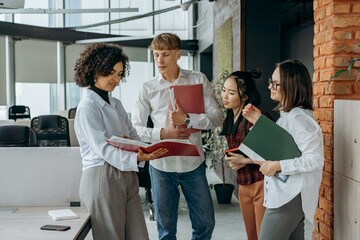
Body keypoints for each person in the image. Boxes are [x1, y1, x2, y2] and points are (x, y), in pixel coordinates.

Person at [132, 33, 223, 240]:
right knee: (166, 229)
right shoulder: (147, 88)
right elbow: (136, 128)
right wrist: (164, 133)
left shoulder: (198, 79)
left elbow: (217, 117)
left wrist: (188, 119)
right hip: (161, 166)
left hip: (193, 163)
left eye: (165, 54)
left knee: (206, 223)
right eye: (156, 55)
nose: (160, 60)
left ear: (178, 54)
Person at [73, 43, 168, 240]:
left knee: (139, 236)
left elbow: (132, 134)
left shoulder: (116, 104)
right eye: (112, 73)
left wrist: (144, 150)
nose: (116, 80)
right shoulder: (88, 107)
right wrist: (134, 154)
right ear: (95, 70)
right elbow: (103, 148)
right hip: (102, 176)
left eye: (119, 74)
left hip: (127, 174)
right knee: (111, 236)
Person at [242, 59, 324, 240]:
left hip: (290, 197)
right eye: (271, 81)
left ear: (290, 86)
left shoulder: (299, 118)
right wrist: (258, 123)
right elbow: (283, 146)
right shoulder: (289, 115)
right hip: (287, 194)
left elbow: (315, 159)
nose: (270, 86)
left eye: (275, 83)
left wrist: (278, 165)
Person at [220, 70, 266, 240]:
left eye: (231, 93)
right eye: (224, 90)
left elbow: (275, 155)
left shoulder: (255, 116)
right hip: (243, 185)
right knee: (251, 236)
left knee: (264, 236)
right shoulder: (229, 118)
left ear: (245, 96)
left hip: (262, 184)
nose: (225, 96)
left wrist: (244, 160)